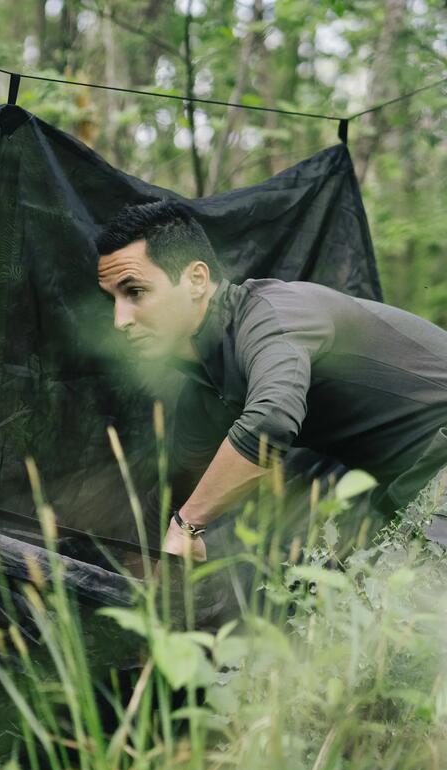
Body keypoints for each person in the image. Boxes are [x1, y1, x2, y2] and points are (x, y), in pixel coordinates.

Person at [95, 199, 447, 561]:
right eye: (113, 301)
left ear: (196, 280)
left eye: (135, 292)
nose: (120, 320)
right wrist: (145, 575)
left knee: (419, 600)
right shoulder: (207, 383)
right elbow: (179, 487)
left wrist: (188, 526)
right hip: (410, 487)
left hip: (438, 466)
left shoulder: (272, 315)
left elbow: (272, 419)